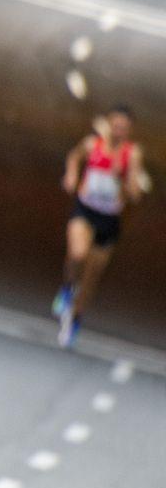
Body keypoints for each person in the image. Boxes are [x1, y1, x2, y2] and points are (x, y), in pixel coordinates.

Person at [54, 106, 144, 348]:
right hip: (86, 209)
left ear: (129, 131)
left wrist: (120, 178)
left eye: (123, 128)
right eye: (114, 126)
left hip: (109, 219)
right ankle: (66, 288)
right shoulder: (92, 144)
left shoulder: (131, 154)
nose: (118, 131)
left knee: (91, 278)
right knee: (77, 254)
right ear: (108, 124)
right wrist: (71, 174)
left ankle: (74, 320)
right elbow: (74, 157)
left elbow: (134, 193)